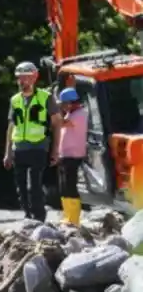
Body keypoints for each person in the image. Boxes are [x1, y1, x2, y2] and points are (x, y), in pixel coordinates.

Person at [3, 61, 62, 221]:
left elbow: (57, 123)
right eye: (19, 78)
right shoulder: (15, 100)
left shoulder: (46, 97)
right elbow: (11, 126)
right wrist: (7, 152)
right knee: (21, 187)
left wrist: (56, 149)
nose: (21, 82)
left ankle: (39, 217)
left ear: (34, 78)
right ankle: (27, 216)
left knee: (33, 186)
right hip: (19, 148)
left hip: (38, 147)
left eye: (25, 78)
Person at [57, 87, 88, 226]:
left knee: (70, 186)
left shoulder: (80, 114)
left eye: (63, 103)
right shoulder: (71, 113)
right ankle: (67, 215)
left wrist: (55, 112)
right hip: (65, 155)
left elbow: (60, 123)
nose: (63, 106)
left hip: (73, 155)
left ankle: (74, 219)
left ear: (70, 102)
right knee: (64, 186)